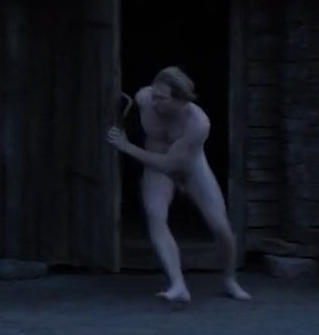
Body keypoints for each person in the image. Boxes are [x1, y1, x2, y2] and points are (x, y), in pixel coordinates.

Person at [106, 66, 252, 306]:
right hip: (155, 166)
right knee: (156, 216)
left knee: (221, 227)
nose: (155, 101)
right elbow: (126, 115)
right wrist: (118, 128)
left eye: (161, 98)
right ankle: (178, 285)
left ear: (181, 100)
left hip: (190, 168)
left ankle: (229, 279)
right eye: (154, 94)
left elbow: (171, 163)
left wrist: (127, 147)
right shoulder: (144, 98)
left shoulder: (198, 123)